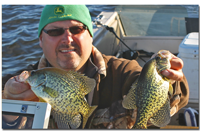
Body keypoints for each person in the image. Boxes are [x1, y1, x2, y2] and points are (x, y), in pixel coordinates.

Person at [2, 5, 189, 129]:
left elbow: (144, 82)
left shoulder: (123, 71)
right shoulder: (17, 83)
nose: (67, 39)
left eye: (76, 29)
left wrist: (169, 78)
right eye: (55, 31)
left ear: (91, 36)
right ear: (41, 41)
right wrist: (8, 108)